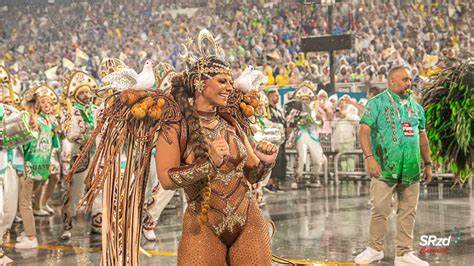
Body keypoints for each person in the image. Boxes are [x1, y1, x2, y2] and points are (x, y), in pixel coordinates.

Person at [156, 31, 278, 265]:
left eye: (231, 82)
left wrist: (267, 162)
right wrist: (208, 163)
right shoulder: (175, 125)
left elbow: (253, 175)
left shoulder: (232, 121)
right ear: (200, 83)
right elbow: (166, 179)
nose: (230, 87)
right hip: (203, 223)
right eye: (223, 81)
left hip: (248, 220)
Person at [355, 66, 432, 266]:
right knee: (380, 209)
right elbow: (364, 131)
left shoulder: (416, 108)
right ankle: (375, 249)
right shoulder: (376, 103)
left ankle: (404, 253)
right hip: (384, 167)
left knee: (408, 211)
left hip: (411, 169)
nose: (409, 83)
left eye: (409, 80)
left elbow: (422, 137)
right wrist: (369, 157)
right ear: (392, 81)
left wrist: (428, 164)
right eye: (405, 79)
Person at [60, 71, 102, 239]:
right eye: (82, 93)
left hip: (97, 156)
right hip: (79, 157)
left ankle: (97, 223)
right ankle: (67, 225)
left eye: (87, 92)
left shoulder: (97, 110)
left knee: (98, 190)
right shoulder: (69, 111)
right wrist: (85, 137)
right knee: (74, 193)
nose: (86, 96)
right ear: (76, 96)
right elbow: (70, 134)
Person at [16, 85, 56, 249]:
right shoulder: (46, 122)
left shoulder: (27, 119)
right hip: (43, 169)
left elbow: (20, 144)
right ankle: (27, 231)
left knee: (24, 204)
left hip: (29, 166)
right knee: (28, 202)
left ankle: (31, 238)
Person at [290, 81, 325, 189]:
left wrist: (319, 119)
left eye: (307, 99)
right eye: (303, 99)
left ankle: (314, 178)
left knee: (319, 158)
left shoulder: (314, 111)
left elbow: (321, 123)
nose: (305, 101)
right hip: (301, 134)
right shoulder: (295, 111)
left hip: (313, 135)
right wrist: (298, 121)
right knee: (302, 158)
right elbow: (290, 122)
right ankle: (297, 178)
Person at [266, 89, 287, 192]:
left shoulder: (278, 110)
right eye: (276, 95)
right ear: (270, 97)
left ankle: (276, 183)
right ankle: (269, 184)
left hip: (281, 139)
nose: (278, 97)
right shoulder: (267, 110)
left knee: (281, 161)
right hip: (271, 139)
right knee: (274, 161)